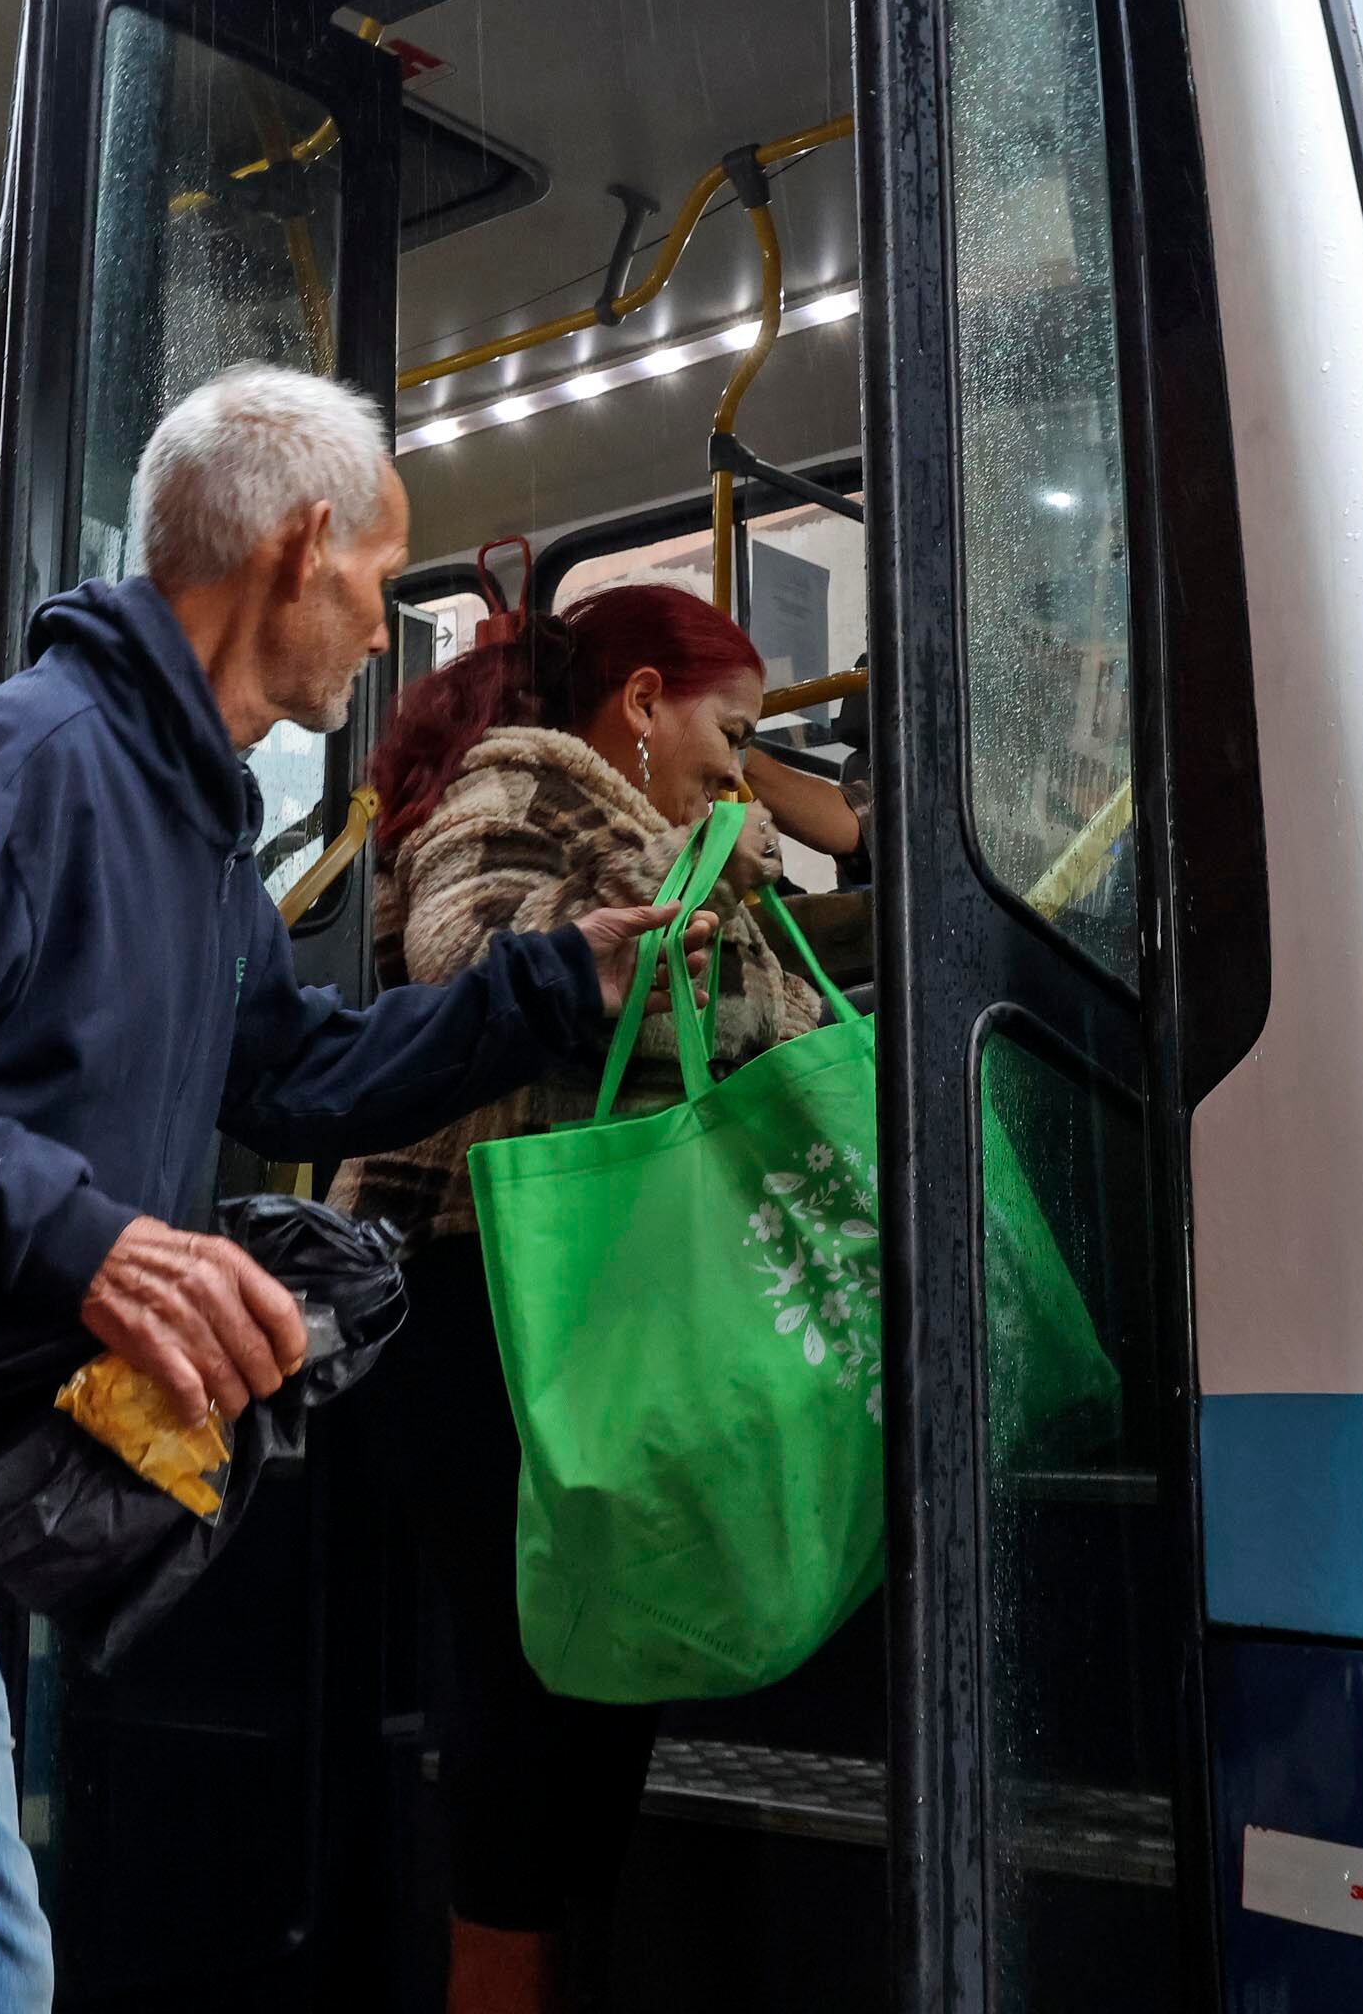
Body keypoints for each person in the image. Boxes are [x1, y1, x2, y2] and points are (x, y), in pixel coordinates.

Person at [0, 365, 703, 2014]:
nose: (385, 623)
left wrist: (559, 981)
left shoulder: (197, 837)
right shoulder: (33, 759)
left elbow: (294, 1072)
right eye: (380, 575)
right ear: (301, 547)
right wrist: (97, 1245)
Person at [335, 580, 825, 2014]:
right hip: (469, 1285)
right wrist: (698, 881)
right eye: (730, 736)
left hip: (586, 1285)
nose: (738, 773)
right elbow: (477, 959)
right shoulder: (520, 784)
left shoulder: (674, 839)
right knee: (527, 1677)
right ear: (644, 706)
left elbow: (767, 1018)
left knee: (601, 1674)